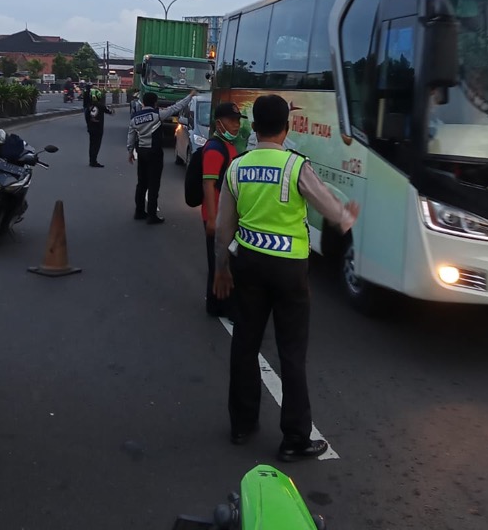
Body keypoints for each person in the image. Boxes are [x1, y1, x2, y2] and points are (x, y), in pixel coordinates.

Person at [213, 94, 360, 462]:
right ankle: (294, 438)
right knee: (292, 353)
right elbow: (328, 208)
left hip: (247, 264)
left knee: (245, 344)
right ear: (287, 126)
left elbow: (222, 230)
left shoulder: (238, 167)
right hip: (289, 272)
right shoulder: (296, 166)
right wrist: (346, 216)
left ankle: (242, 425)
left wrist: (221, 268)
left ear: (254, 126)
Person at [202, 102, 246, 317]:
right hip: (217, 216)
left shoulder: (228, 146)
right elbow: (208, 184)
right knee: (219, 261)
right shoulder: (214, 149)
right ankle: (220, 306)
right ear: (219, 124)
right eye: (231, 121)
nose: (236, 125)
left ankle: (217, 304)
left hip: (225, 215)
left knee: (224, 259)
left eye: (238, 120)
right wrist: (212, 218)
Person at [127, 89, 197, 224]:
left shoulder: (135, 118)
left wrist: (130, 152)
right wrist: (190, 96)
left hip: (141, 152)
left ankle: (139, 212)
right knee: (153, 184)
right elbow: (177, 106)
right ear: (154, 102)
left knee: (141, 183)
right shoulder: (158, 114)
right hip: (155, 153)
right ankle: (152, 216)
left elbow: (131, 136)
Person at [84, 87, 113, 168]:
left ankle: (91, 160)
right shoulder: (100, 106)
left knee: (91, 144)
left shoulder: (88, 107)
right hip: (98, 130)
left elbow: (86, 118)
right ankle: (94, 161)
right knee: (96, 146)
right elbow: (111, 112)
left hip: (91, 129)